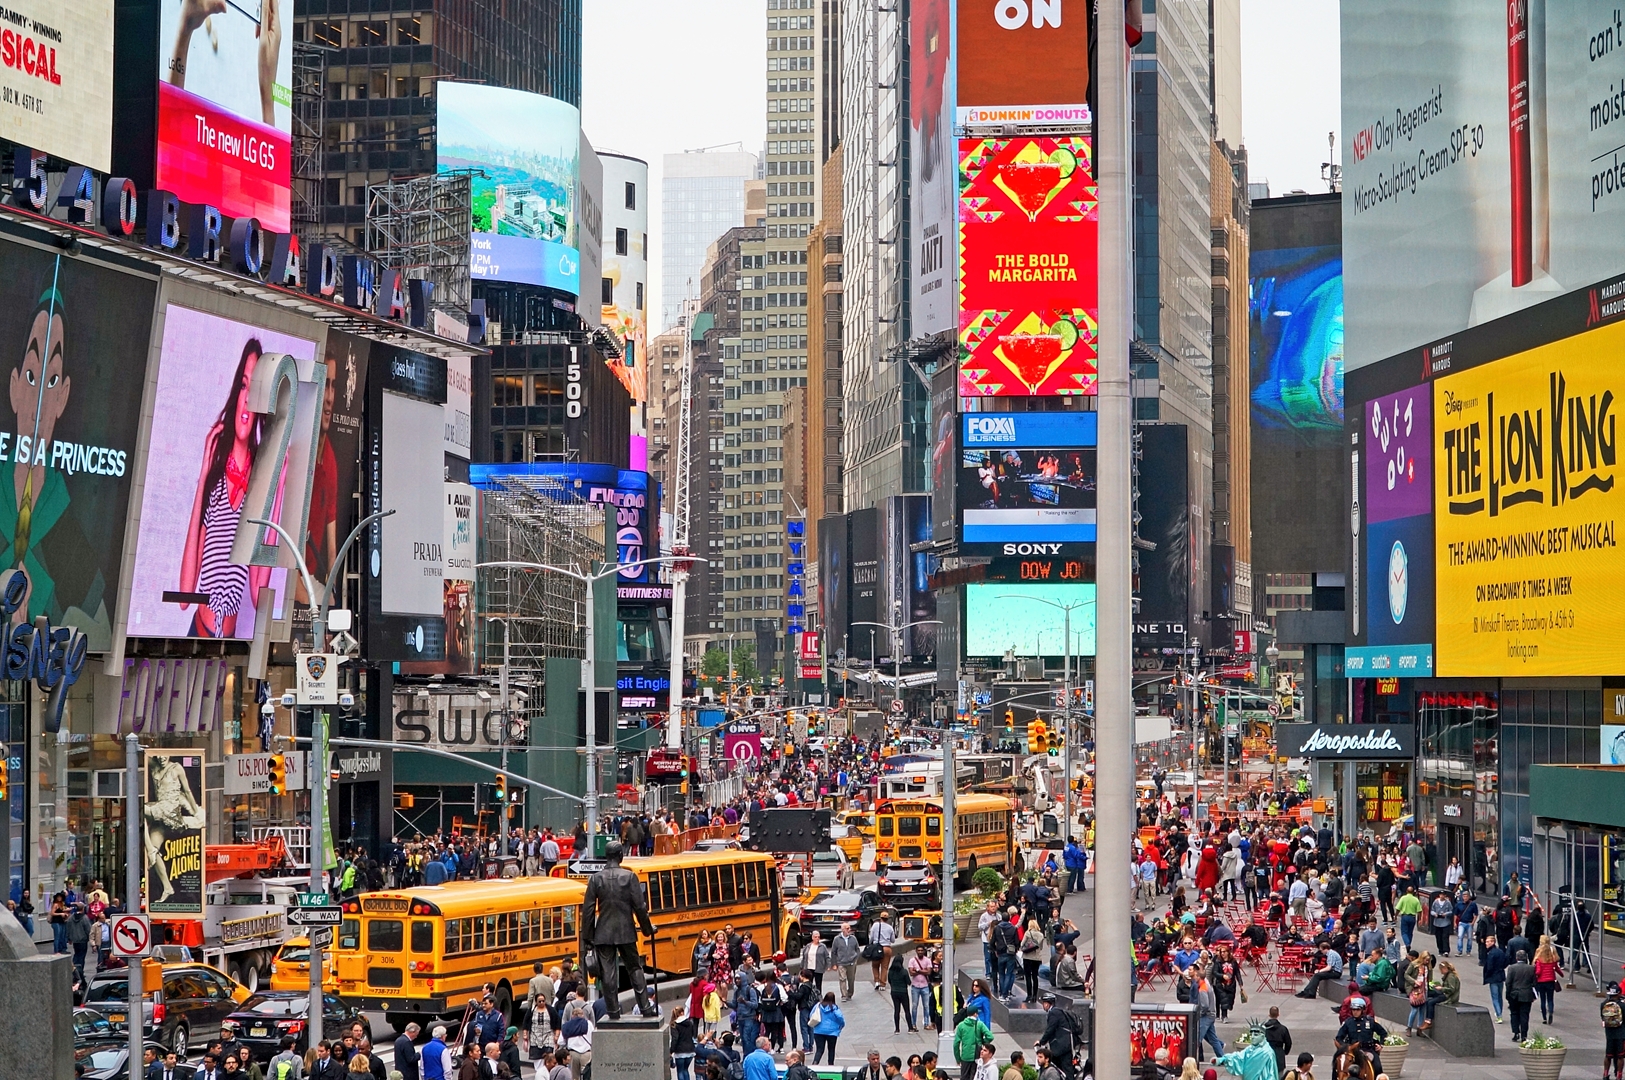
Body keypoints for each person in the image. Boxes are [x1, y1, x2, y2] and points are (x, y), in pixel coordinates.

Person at [1333, 998, 1386, 1077]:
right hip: (1352, 1051)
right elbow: (1339, 1037)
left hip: (1368, 1049)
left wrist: (1380, 1045)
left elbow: (1383, 1033)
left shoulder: (1370, 1021)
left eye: (1357, 1010)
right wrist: (1345, 1047)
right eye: (1353, 1010)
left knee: (1378, 1068)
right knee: (1337, 1067)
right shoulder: (1348, 1022)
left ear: (1363, 1010)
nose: (1355, 1012)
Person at [1036, 996, 1079, 1078]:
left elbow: (1050, 1029)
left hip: (1063, 1046)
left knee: (1066, 1068)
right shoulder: (1056, 1011)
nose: (1043, 1006)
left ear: (1048, 1004)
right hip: (1063, 1045)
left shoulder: (1054, 1013)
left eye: (1044, 1003)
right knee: (1059, 1065)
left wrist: (1041, 1041)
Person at [1506, 949, 1538, 1042]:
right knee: (1525, 1015)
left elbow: (1508, 983)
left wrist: (1508, 995)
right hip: (1527, 995)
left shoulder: (1512, 968)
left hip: (1514, 995)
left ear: (1516, 958)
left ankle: (1516, 1033)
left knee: (1514, 1014)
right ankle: (1524, 1035)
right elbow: (1534, 983)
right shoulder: (1531, 968)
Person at [953, 1008, 994, 1080]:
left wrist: (958, 1059)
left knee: (964, 1077)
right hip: (977, 1056)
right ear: (975, 1014)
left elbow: (956, 1044)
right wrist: (983, 1042)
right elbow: (990, 1036)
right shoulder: (979, 1024)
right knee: (975, 1076)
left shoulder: (961, 1025)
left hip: (965, 1056)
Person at [1533, 936, 1564, 1025]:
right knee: (1550, 999)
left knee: (1543, 999)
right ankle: (1550, 1011)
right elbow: (1557, 969)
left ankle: (1544, 1018)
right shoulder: (1552, 960)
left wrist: (1535, 975)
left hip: (1541, 982)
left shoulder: (1539, 960)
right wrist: (1561, 974)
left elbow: (1538, 971)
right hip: (1551, 980)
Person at [811, 991, 845, 1066]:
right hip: (832, 1032)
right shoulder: (834, 1008)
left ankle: (815, 1063)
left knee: (819, 1049)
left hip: (818, 1031)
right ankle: (830, 1065)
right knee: (831, 1049)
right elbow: (840, 1017)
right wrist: (841, 1025)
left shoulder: (818, 1006)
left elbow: (811, 1014)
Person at [833, 922, 863, 1000]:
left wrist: (855, 958)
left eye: (849, 928)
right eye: (847, 928)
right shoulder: (837, 939)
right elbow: (833, 952)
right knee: (842, 979)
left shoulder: (853, 938)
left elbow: (857, 949)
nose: (849, 930)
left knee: (851, 979)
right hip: (841, 963)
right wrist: (834, 963)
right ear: (842, 930)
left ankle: (850, 993)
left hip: (852, 962)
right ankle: (844, 995)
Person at [1482, 937, 1509, 1023]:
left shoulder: (1491, 953)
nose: (1486, 943)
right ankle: (1499, 1012)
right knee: (1499, 996)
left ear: (1492, 942)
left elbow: (1489, 967)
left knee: (1495, 997)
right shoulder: (1500, 951)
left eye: (1488, 942)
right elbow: (1506, 961)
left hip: (1493, 978)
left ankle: (1499, 1015)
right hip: (1500, 976)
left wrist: (1487, 975)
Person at [908, 945, 936, 1028]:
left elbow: (929, 972)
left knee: (926, 1006)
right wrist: (923, 971)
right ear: (916, 951)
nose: (920, 952)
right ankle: (913, 1024)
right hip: (915, 986)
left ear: (924, 951)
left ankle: (926, 1023)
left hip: (925, 986)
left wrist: (917, 970)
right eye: (918, 950)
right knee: (914, 1006)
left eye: (921, 950)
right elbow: (911, 973)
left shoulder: (927, 960)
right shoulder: (912, 960)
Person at [1603, 982, 1625, 1080]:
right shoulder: (1623, 1005)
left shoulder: (1603, 1004)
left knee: (1608, 1056)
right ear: (1619, 993)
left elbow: (1603, 1018)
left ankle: (1605, 1074)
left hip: (1609, 1033)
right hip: (1621, 1033)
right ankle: (1619, 1075)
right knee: (1620, 1056)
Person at [1262, 1006, 1292, 1078]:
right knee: (1279, 1075)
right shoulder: (1283, 1029)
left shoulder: (1263, 1029)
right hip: (1279, 1053)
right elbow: (1288, 1043)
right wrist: (1284, 1052)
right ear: (1278, 1014)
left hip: (1266, 1053)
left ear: (1269, 1014)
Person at [889, 951, 915, 1032]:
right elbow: (908, 982)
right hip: (903, 992)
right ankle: (910, 1027)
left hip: (894, 992)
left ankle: (897, 1029)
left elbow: (889, 981)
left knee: (897, 1010)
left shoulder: (891, 971)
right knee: (906, 1010)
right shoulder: (904, 971)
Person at [670, 1005, 697, 1080]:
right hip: (690, 1049)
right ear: (682, 1012)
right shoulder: (690, 1023)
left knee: (680, 1071)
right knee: (685, 1070)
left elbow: (675, 1039)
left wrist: (671, 1050)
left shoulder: (674, 1025)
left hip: (680, 1050)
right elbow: (692, 1034)